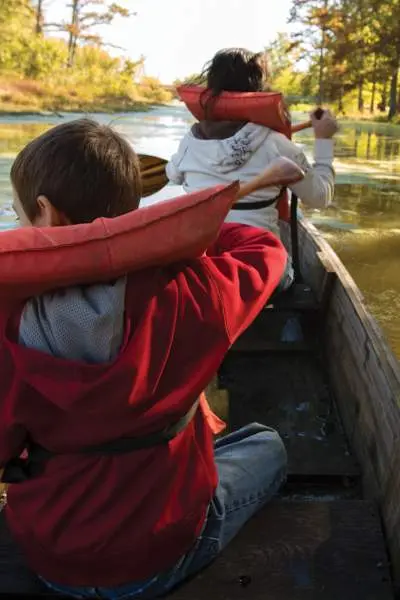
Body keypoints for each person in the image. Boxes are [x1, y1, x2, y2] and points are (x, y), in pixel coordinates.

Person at [0, 118, 288, 598]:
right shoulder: (197, 290)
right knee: (268, 444)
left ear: (45, 215)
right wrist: (160, 238)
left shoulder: (8, 321)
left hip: (52, 557)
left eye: (18, 216)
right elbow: (263, 246)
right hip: (156, 559)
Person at [167, 48, 339, 241]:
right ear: (257, 88)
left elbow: (172, 175)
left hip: (202, 252)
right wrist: (324, 141)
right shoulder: (277, 145)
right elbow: (320, 197)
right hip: (257, 256)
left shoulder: (190, 142)